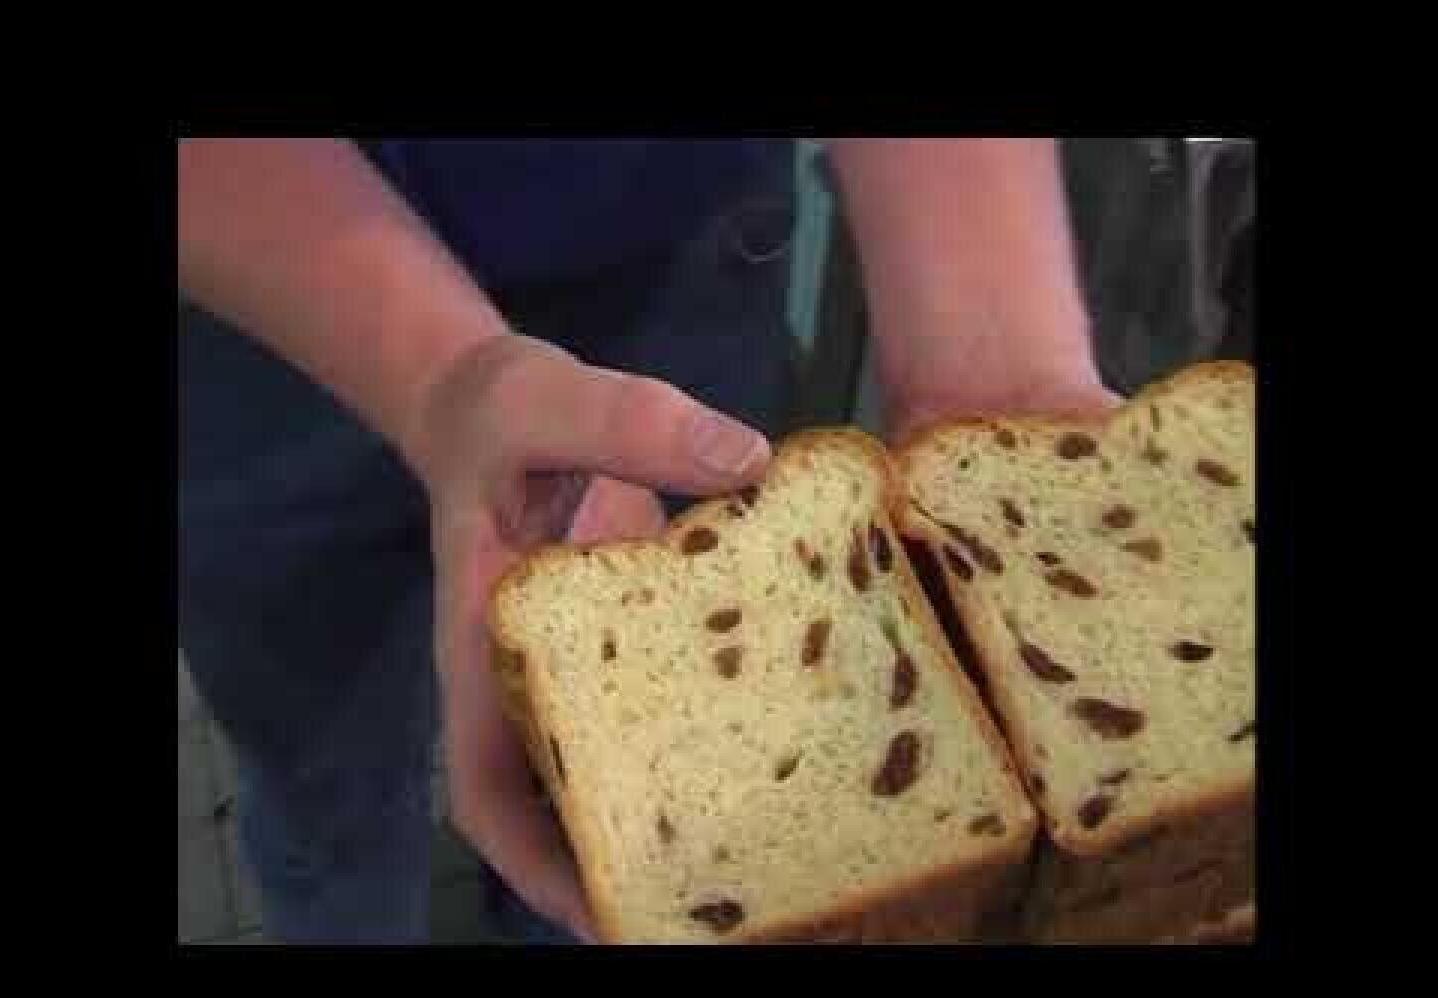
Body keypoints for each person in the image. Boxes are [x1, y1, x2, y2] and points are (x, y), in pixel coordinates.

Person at [178, 138, 1118, 945]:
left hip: (665, 249)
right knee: (325, 778)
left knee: (615, 791)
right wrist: (439, 377)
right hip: (242, 299)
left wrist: (989, 355)